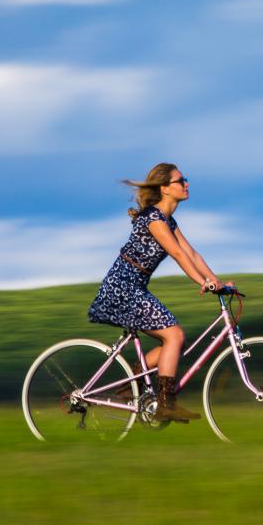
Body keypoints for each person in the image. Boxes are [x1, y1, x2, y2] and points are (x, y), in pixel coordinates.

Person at [87, 162, 226, 423]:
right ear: (164, 188)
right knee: (174, 335)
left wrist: (215, 280)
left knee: (174, 341)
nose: (186, 184)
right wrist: (201, 281)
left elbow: (192, 253)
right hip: (121, 289)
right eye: (180, 180)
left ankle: (134, 382)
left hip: (133, 288)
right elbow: (176, 253)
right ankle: (166, 404)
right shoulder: (153, 218)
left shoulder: (168, 220)